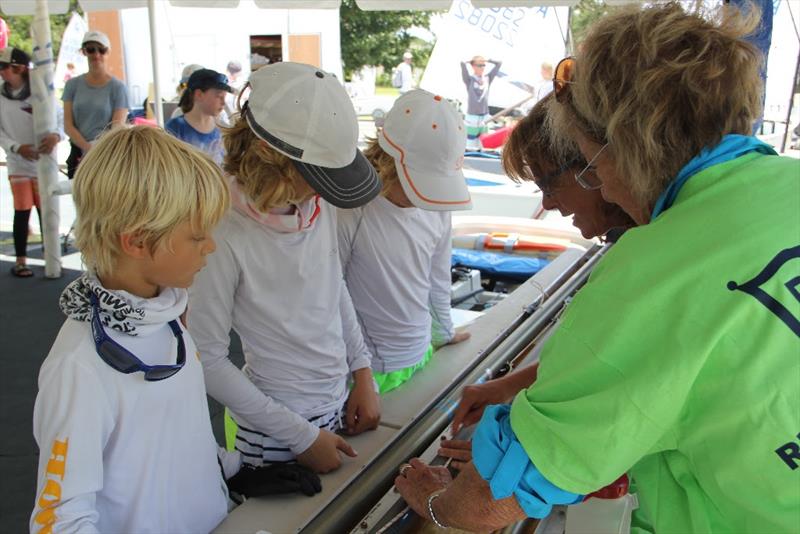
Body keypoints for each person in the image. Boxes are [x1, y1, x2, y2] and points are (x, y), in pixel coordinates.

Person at [395, 2, 799, 532]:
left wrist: (433, 501)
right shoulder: (786, 186)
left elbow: (483, 508)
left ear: (627, 144)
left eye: (590, 163)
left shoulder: (655, 267)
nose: (601, 187)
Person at [188, 62, 383, 475]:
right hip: (273, 432)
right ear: (267, 154)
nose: (323, 190)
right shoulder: (222, 230)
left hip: (336, 404)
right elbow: (207, 357)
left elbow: (334, 287)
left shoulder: (315, 204)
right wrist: (301, 437)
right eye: (316, 176)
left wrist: (362, 371)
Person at [339, 89, 472, 395]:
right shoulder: (351, 210)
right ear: (388, 160)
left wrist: (443, 332)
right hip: (366, 373)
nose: (430, 196)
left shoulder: (438, 208)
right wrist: (359, 375)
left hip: (421, 353)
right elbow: (333, 292)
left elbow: (438, 276)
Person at [0, 47, 62, 278]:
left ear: (20, 69)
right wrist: (17, 147)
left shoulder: (40, 94)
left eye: (6, 67)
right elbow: (0, 132)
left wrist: (55, 136)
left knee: (44, 209)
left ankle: (51, 257)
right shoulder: (1, 97)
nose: (3, 73)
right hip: (17, 161)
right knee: (22, 209)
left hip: (43, 161)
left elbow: (59, 119)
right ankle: (21, 260)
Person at [62, 30, 128, 179]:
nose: (96, 55)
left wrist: (97, 150)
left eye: (101, 50)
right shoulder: (72, 85)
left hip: (107, 153)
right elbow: (68, 124)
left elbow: (117, 127)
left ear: (107, 52)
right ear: (84, 52)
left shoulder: (118, 87)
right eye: (91, 49)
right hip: (79, 152)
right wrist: (86, 147)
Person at [166, 68, 231, 165]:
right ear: (199, 94)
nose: (223, 102)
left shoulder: (222, 128)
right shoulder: (174, 129)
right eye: (219, 96)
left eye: (224, 97)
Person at [460, 55, 502, 151]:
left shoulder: (487, 78)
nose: (482, 67)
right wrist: (471, 61)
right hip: (472, 117)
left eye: (484, 65)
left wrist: (488, 59)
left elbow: (499, 63)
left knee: (483, 144)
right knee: (470, 144)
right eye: (479, 65)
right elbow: (462, 62)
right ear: (473, 66)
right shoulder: (469, 79)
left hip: (484, 116)